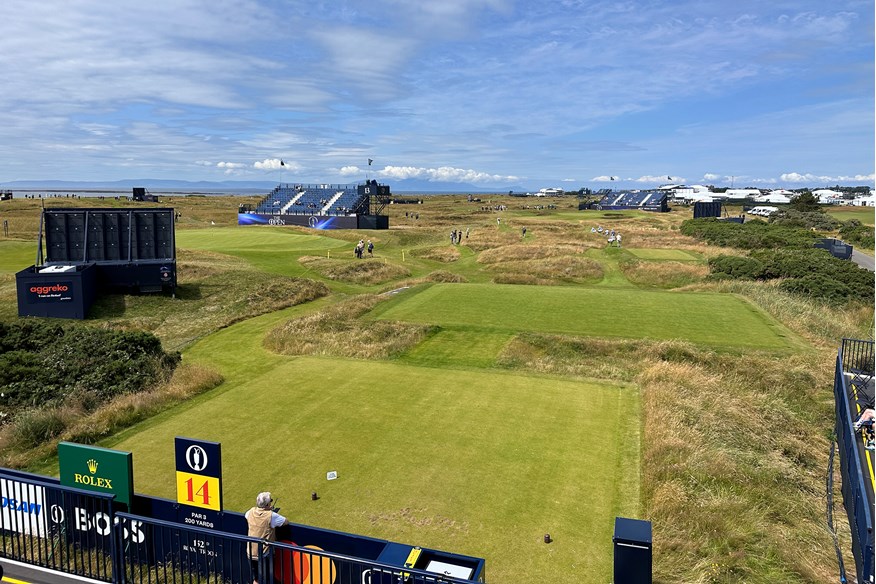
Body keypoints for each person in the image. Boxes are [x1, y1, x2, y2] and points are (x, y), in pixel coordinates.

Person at [246, 492, 289, 584]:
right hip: (264, 553)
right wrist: (271, 512)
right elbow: (285, 521)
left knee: (256, 579)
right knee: (268, 579)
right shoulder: (271, 516)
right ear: (267, 504)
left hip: (250, 552)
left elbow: (246, 516)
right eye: (270, 501)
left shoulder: (250, 512)